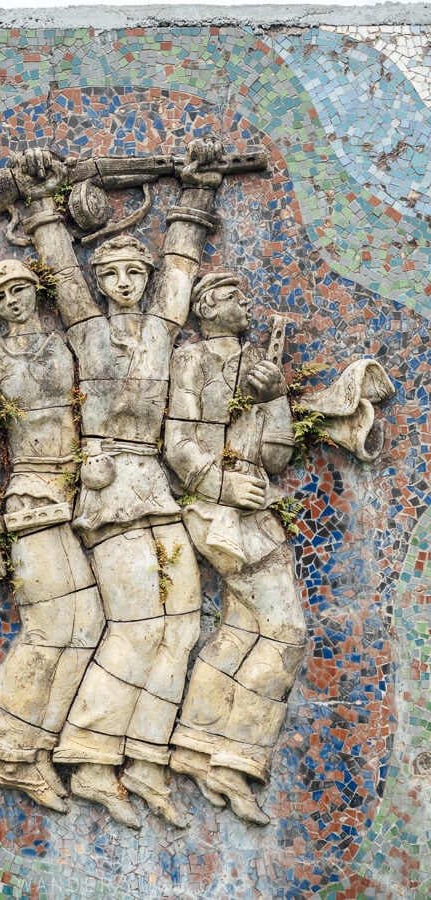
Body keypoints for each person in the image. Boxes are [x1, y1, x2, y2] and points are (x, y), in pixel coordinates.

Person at [14, 141, 226, 827]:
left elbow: (182, 271)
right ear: (100, 282)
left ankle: (143, 759)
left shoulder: (165, 326)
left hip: (157, 486)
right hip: (108, 489)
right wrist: (45, 205)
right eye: (113, 272)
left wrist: (195, 197)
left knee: (182, 626)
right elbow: (59, 271)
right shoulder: (84, 326)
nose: (126, 280)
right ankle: (90, 753)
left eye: (137, 270)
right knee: (136, 626)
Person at [0, 259, 105, 814]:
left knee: (89, 627)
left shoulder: (73, 344)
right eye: (1, 296)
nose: (13, 301)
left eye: (20, 290)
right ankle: (13, 754)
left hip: (85, 493)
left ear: (36, 291)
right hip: (29, 495)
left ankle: (43, 746)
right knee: (50, 627)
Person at [164, 274, 308, 826]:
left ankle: (197, 748)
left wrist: (276, 401)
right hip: (217, 509)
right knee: (286, 631)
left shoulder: (259, 362)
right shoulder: (192, 360)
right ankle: (235, 759)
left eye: (247, 294)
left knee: (239, 631)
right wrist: (219, 484)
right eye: (233, 295)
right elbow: (177, 443)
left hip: (256, 510)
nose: (247, 302)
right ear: (206, 307)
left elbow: (275, 455)